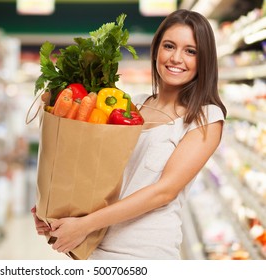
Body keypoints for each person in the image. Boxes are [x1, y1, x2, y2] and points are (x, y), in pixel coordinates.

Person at [32, 8, 227, 259]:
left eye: (191, 51)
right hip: (93, 247)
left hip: (144, 254)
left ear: (205, 60)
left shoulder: (206, 118)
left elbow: (164, 191)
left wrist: (85, 224)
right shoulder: (133, 104)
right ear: (156, 50)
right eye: (169, 46)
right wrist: (54, 208)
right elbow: (95, 172)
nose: (177, 58)